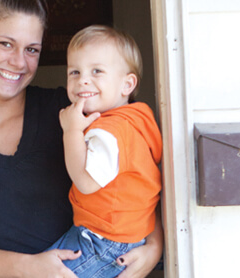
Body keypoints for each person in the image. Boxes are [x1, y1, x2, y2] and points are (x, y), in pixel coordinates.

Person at [0, 1, 163, 277]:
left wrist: (155, 245)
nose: (19, 62)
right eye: (6, 43)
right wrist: (29, 268)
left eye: (31, 50)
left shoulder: (73, 110)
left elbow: (136, 173)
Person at [47, 25, 163, 277]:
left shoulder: (108, 131)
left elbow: (87, 182)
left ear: (127, 84)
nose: (83, 80)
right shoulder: (138, 119)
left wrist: (71, 132)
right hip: (120, 232)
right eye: (74, 71)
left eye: (97, 71)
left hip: (105, 240)